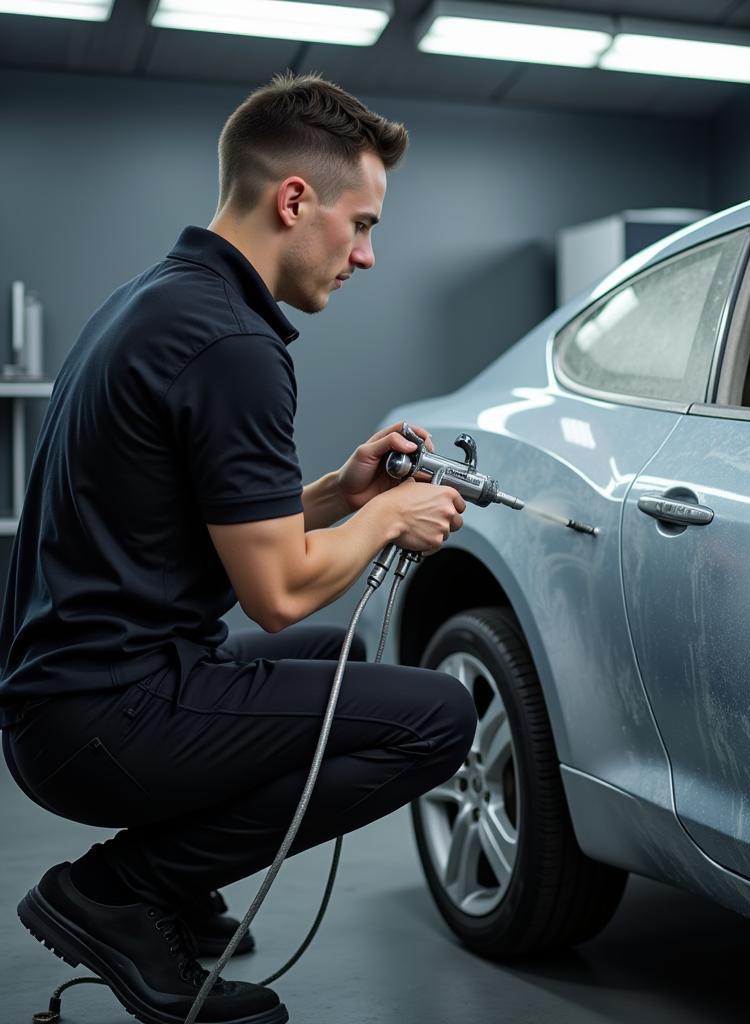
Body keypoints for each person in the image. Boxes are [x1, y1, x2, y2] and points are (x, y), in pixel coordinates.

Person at [0, 71, 475, 1024]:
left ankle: (178, 888)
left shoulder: (165, 299)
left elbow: (211, 523)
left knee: (338, 662)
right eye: (364, 224)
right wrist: (386, 518)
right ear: (295, 200)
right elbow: (278, 592)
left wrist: (341, 492)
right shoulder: (231, 345)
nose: (369, 256)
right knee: (437, 718)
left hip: (65, 700)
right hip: (100, 723)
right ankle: (119, 894)